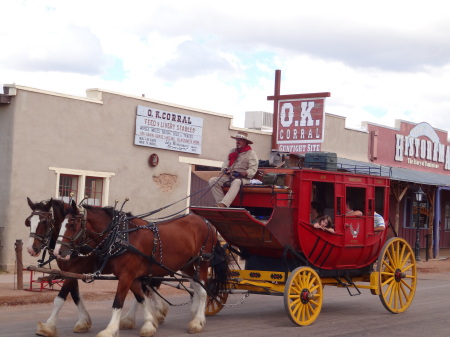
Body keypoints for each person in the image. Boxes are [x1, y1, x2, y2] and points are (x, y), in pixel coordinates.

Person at [208, 131, 258, 207]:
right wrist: (225, 170)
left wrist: (245, 173)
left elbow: (253, 169)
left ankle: (224, 204)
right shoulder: (232, 151)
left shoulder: (251, 153)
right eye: (237, 140)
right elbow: (225, 164)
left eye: (240, 140)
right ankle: (220, 203)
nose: (237, 142)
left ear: (245, 141)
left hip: (244, 179)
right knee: (213, 180)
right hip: (231, 177)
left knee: (237, 182)